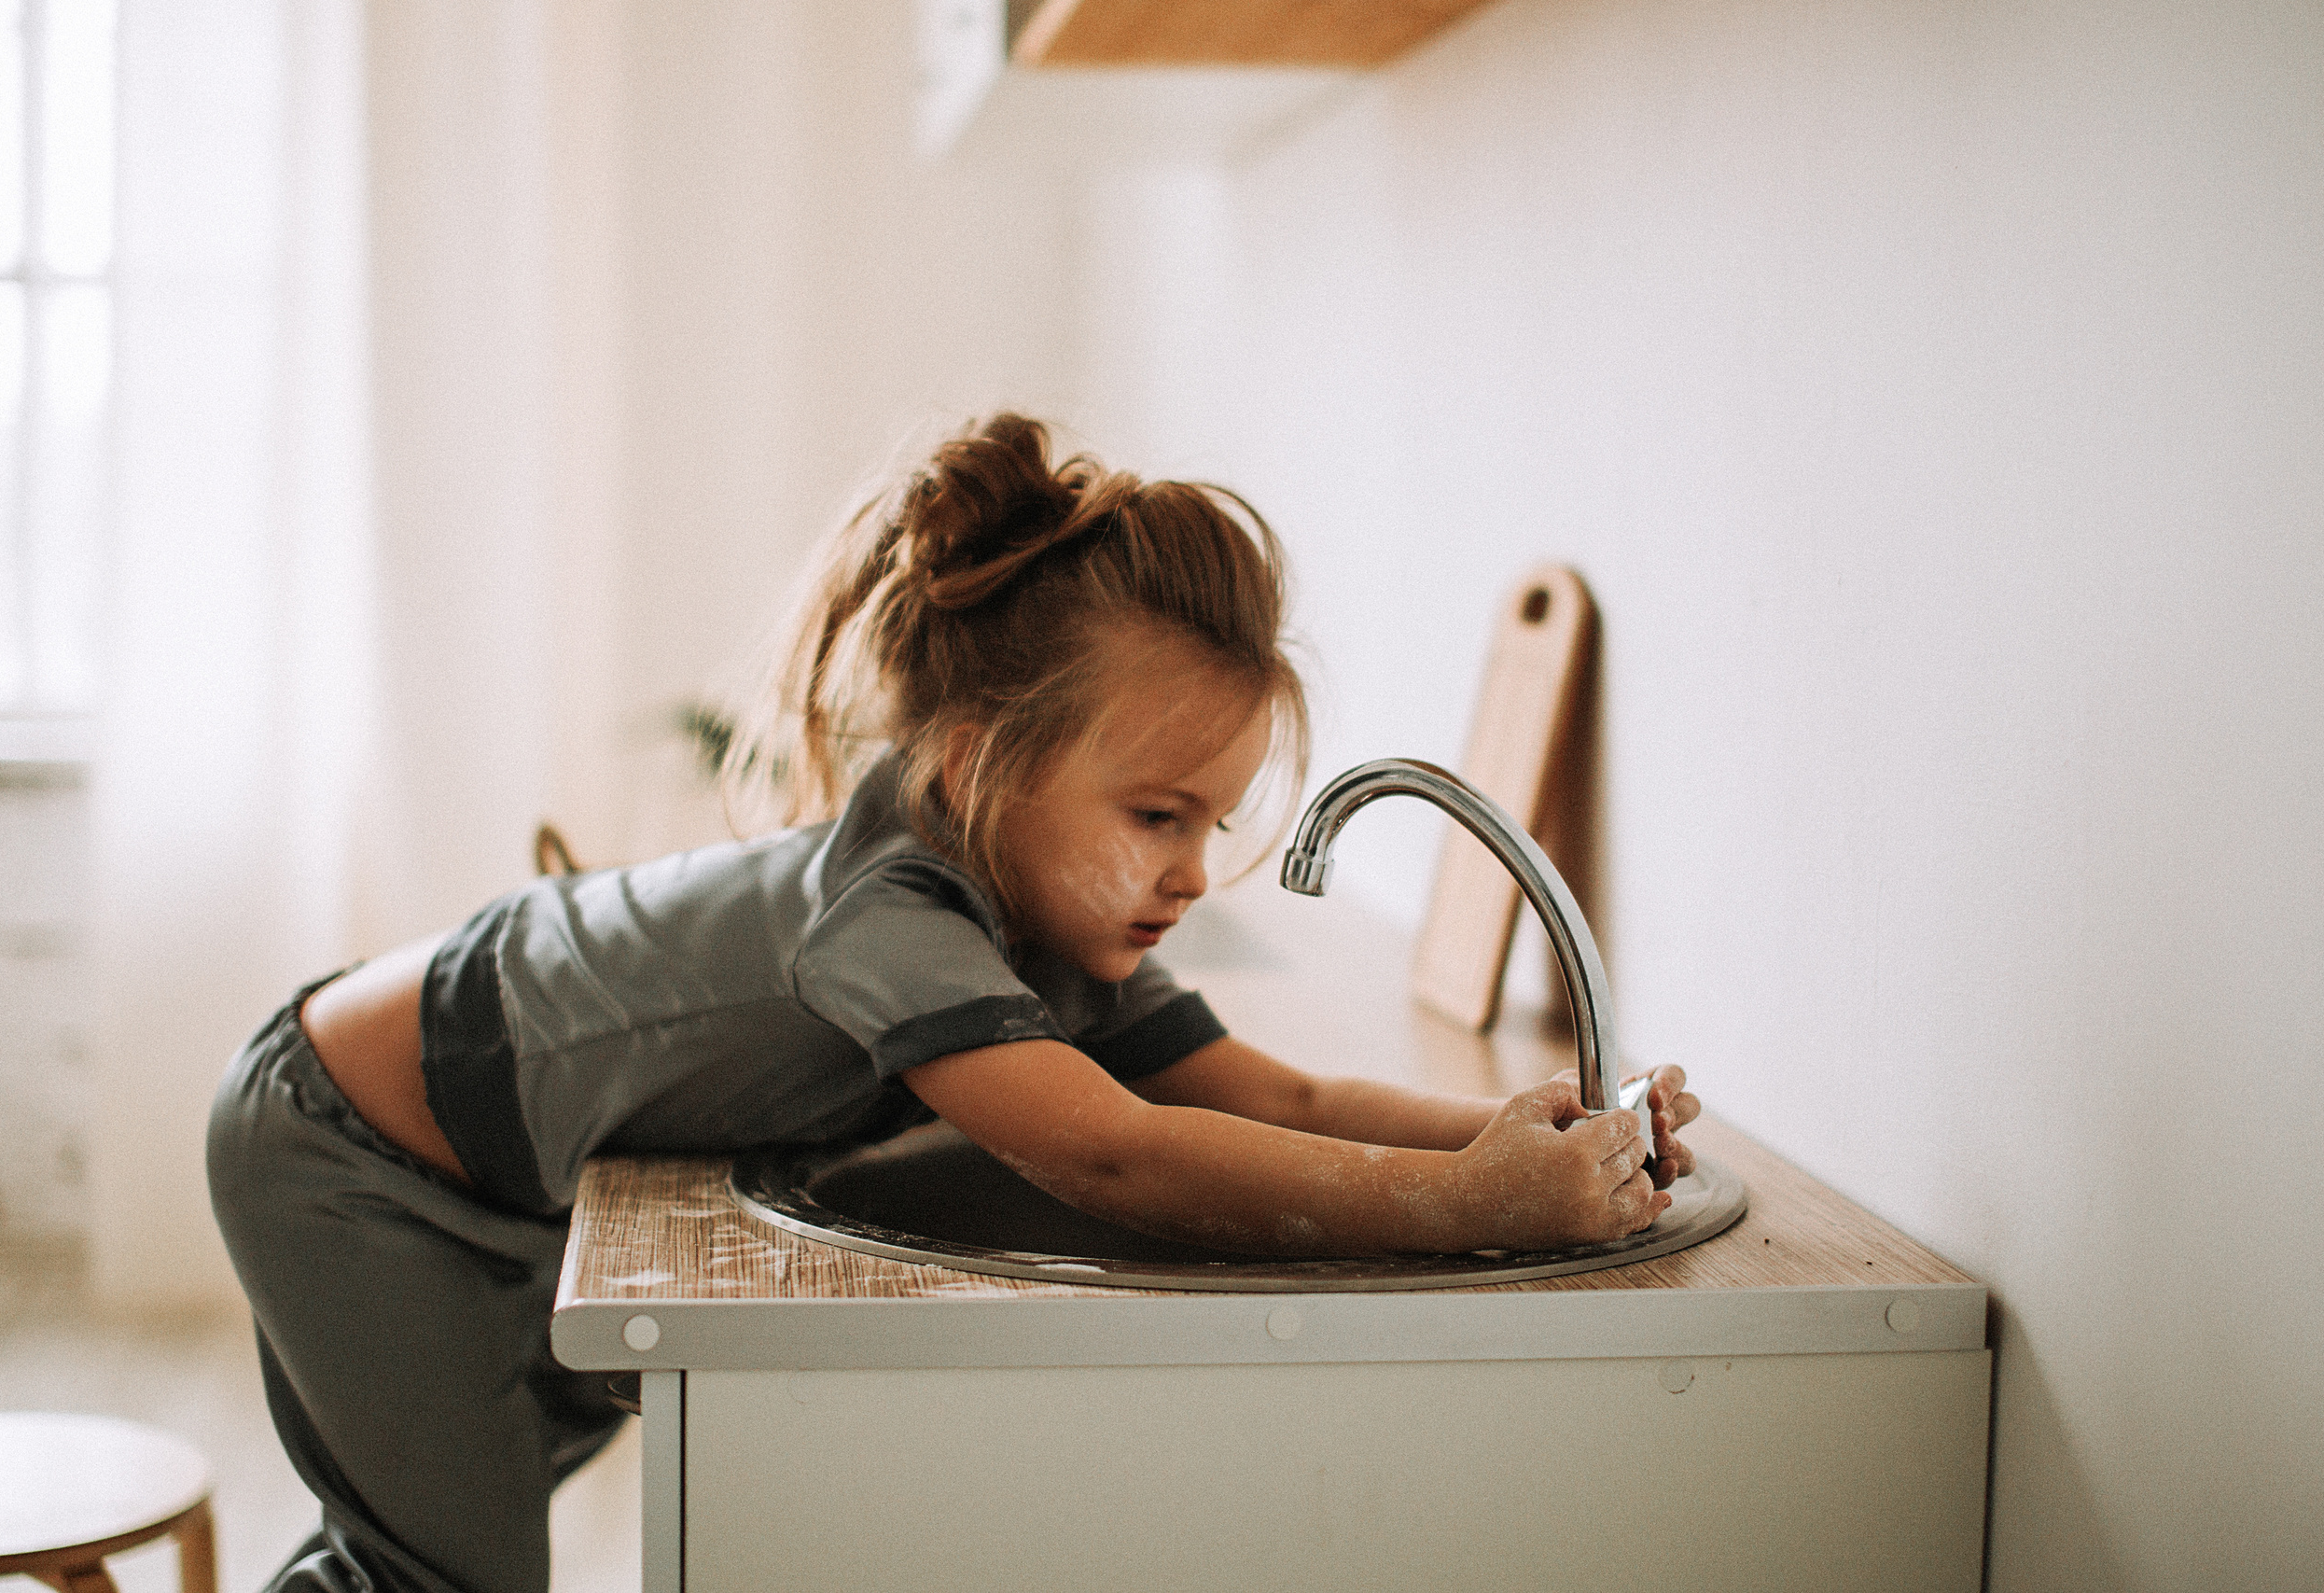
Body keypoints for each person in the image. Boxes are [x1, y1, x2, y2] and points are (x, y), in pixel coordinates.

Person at [206, 413, 1700, 1591]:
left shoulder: (1040, 920)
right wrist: (1479, 1209)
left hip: (479, 1139)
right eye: (1159, 815)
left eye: (1214, 824)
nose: (1191, 871)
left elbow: (1281, 1101)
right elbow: (1115, 1154)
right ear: (984, 768)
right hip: (350, 1146)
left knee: (413, 1548)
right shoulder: (894, 915)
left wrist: (1512, 1139)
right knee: (440, 1576)